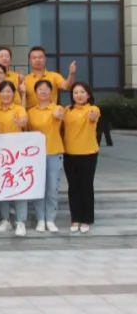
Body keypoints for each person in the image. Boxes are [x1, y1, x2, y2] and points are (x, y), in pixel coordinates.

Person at [0, 81, 29, 237]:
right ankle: (5, 219)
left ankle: (20, 221)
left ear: (14, 94)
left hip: (17, 154)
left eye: (9, 91)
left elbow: (24, 121)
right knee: (2, 186)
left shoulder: (19, 109)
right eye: (3, 91)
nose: (6, 94)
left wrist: (20, 123)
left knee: (19, 186)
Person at [27, 80, 65, 234]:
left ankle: (50, 219)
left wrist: (58, 114)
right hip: (36, 155)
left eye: (46, 89)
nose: (43, 92)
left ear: (51, 92)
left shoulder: (57, 108)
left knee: (52, 188)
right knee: (39, 188)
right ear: (35, 92)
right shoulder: (31, 111)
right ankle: (40, 219)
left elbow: (60, 115)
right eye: (40, 89)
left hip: (53, 152)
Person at [63, 82, 100, 234]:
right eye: (76, 92)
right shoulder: (67, 110)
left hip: (88, 153)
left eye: (82, 92)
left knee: (86, 186)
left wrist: (92, 117)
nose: (79, 95)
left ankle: (86, 219)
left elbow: (94, 117)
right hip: (69, 153)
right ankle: (75, 218)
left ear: (88, 94)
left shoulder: (93, 109)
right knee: (73, 187)